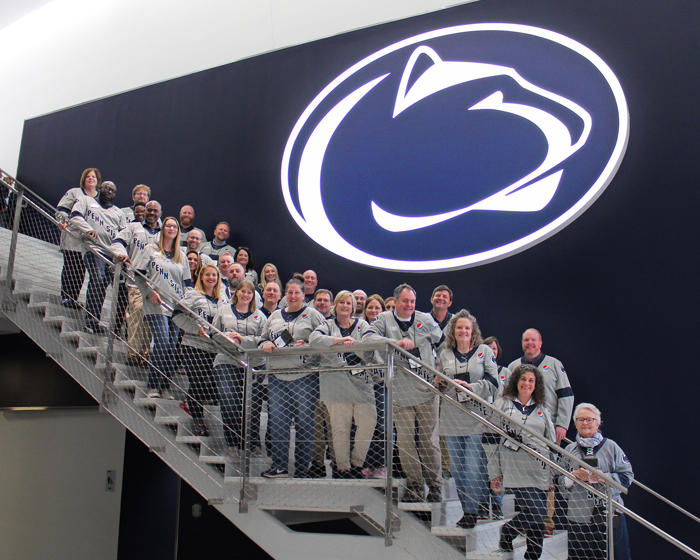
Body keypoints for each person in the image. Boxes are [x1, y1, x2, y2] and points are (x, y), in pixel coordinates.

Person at [372, 283, 444, 502]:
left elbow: (443, 345)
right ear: (395, 302)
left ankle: (435, 486)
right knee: (405, 443)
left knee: (428, 442)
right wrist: (395, 343)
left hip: (426, 391)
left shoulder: (426, 320)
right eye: (405, 301)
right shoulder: (383, 320)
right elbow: (369, 338)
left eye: (412, 301)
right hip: (400, 393)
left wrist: (441, 369)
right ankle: (414, 485)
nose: (409, 305)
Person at [436, 310, 499, 528]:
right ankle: (468, 508)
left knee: (473, 467)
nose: (463, 331)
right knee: (457, 468)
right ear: (453, 330)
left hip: (476, 416)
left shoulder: (483, 351)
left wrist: (472, 388)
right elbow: (441, 377)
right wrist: (440, 383)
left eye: (467, 328)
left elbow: (494, 380)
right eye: (459, 327)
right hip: (451, 415)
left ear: (473, 332)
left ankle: (473, 510)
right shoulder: (444, 354)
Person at [310, 291, 380, 478]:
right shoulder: (327, 324)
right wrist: (340, 342)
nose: (345, 306)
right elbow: (315, 340)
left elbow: (370, 347)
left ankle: (357, 464)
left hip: (361, 384)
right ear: (336, 305)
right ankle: (343, 468)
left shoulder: (362, 324)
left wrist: (353, 347)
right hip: (335, 385)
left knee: (368, 421)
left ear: (354, 307)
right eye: (341, 302)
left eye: (349, 303)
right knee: (340, 427)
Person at [489, 364, 556, 560]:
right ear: (516, 381)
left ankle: (533, 555)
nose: (527, 383)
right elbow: (491, 439)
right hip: (514, 467)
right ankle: (508, 531)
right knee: (537, 511)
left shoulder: (542, 408)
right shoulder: (503, 403)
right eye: (523, 379)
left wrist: (552, 476)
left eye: (531, 380)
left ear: (536, 385)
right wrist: (494, 472)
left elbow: (551, 443)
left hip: (540, 469)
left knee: (536, 517)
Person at [259, 278, 325, 478]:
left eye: (297, 293)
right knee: (278, 422)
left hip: (304, 376)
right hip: (277, 377)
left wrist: (308, 345)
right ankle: (279, 466)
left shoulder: (313, 315)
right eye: (290, 292)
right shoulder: (275, 316)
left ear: (304, 295)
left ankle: (302, 468)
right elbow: (263, 337)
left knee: (305, 423)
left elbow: (323, 339)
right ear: (285, 295)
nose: (293, 296)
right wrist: (264, 344)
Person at [560, 403, 633, 560]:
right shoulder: (569, 450)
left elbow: (627, 477)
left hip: (610, 514)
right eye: (580, 419)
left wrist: (603, 477)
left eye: (589, 419)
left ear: (598, 423)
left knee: (617, 555)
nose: (585, 423)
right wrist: (573, 476)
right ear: (575, 423)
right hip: (578, 516)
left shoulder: (612, 447)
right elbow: (557, 480)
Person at [136, 217, 191, 399]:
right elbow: (139, 274)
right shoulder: (151, 249)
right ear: (162, 228)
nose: (171, 228)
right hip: (156, 304)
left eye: (174, 226)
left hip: (176, 307)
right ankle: (152, 386)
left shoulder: (181, 256)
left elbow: (187, 284)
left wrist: (187, 304)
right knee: (163, 341)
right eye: (168, 225)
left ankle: (165, 387)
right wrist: (148, 291)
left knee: (172, 347)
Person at [69, 180, 127, 334]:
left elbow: (124, 235)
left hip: (110, 255)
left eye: (112, 190)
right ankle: (89, 321)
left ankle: (95, 321)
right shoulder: (86, 201)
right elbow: (74, 216)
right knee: (98, 278)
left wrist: (121, 253)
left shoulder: (118, 212)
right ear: (100, 188)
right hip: (93, 249)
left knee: (101, 286)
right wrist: (87, 229)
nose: (109, 191)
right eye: (107, 187)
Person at [172, 264, 222, 436]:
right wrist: (195, 329)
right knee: (198, 383)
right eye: (207, 274)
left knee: (209, 385)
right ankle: (198, 422)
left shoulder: (222, 301)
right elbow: (177, 315)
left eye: (214, 275)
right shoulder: (193, 295)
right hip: (193, 346)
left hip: (213, 350)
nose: (211, 278)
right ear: (201, 277)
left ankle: (189, 401)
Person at [112, 199, 162, 364]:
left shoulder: (163, 234)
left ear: (160, 214)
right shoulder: (134, 227)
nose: (152, 213)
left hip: (155, 286)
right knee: (136, 316)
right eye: (149, 210)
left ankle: (145, 354)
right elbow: (117, 242)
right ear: (144, 212)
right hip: (135, 283)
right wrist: (122, 254)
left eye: (156, 211)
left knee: (150, 320)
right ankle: (133, 354)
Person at [508, 329, 573, 444]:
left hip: (548, 427)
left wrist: (562, 424)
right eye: (526, 340)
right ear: (522, 343)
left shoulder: (554, 364)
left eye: (533, 340)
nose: (530, 343)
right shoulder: (513, 367)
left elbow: (566, 396)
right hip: (519, 427)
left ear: (540, 343)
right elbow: (507, 397)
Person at [55, 167, 100, 308]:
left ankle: (74, 298)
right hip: (72, 235)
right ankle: (66, 296)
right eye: (88, 177)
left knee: (81, 270)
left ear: (98, 180)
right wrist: (63, 222)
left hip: (88, 240)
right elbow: (62, 209)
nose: (91, 179)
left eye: (93, 177)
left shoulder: (100, 198)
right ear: (84, 179)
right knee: (70, 266)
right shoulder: (74, 193)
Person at [361, 293, 386, 477]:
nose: (373, 310)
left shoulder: (385, 329)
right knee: (365, 424)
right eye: (370, 307)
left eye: (377, 307)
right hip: (361, 384)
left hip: (381, 384)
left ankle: (381, 464)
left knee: (382, 425)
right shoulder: (359, 327)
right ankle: (368, 464)